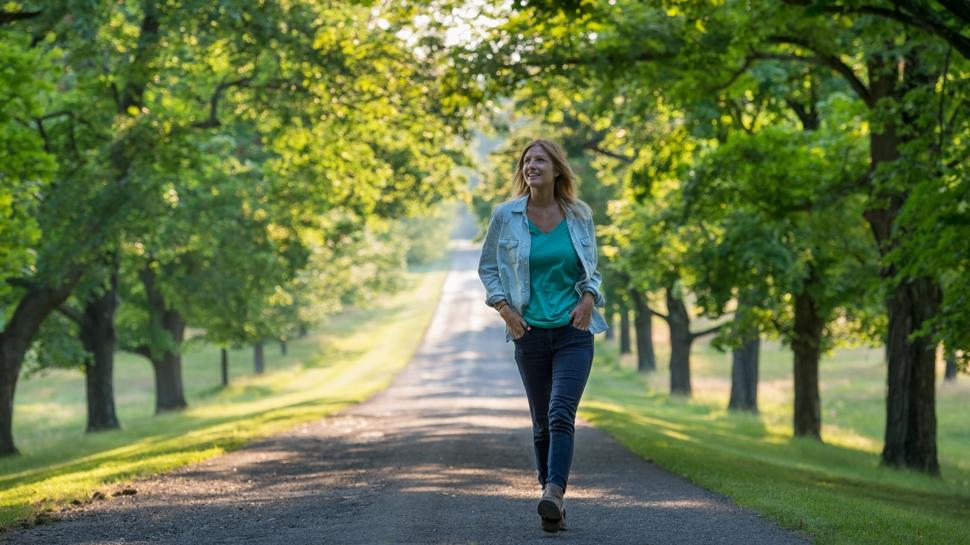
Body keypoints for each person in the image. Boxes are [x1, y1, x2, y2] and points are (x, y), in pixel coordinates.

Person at [477, 139, 607, 534]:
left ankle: (554, 492)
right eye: (527, 161)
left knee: (560, 412)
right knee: (541, 424)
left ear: (556, 169)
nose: (531, 166)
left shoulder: (579, 214)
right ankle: (551, 505)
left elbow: (592, 271)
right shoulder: (506, 215)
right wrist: (505, 310)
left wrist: (588, 300)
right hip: (529, 333)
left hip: (573, 333)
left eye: (539, 160)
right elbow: (488, 269)